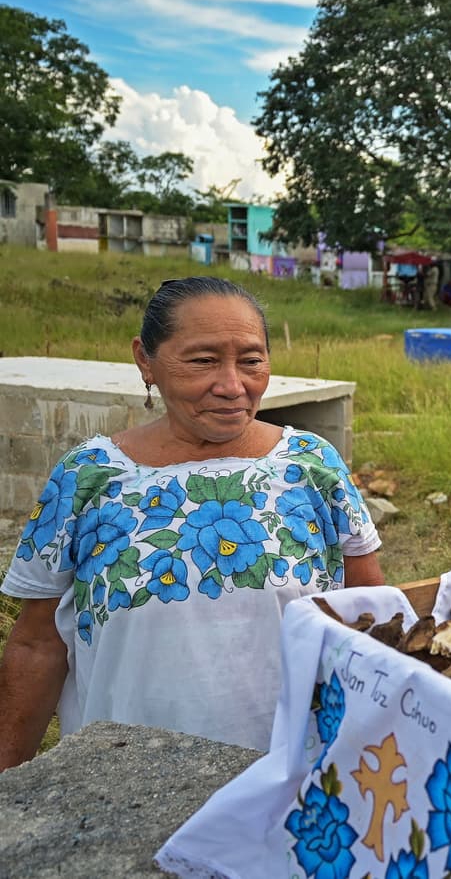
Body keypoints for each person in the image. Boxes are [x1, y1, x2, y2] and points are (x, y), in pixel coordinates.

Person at [0, 277, 385, 771]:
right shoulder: (88, 476)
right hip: (121, 780)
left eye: (251, 361)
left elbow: (369, 620)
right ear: (146, 360)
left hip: (289, 778)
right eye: (203, 361)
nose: (232, 386)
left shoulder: (312, 465)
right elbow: (36, 645)